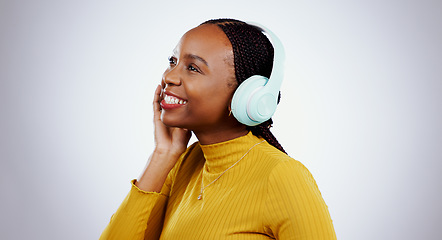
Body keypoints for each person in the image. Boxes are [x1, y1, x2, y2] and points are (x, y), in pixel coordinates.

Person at [100, 19, 336, 239]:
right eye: (173, 62)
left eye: (193, 68)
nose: (169, 77)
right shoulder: (184, 163)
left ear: (248, 95)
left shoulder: (282, 176)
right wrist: (163, 154)